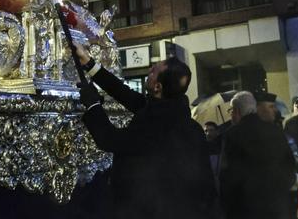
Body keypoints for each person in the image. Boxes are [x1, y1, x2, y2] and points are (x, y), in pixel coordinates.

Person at [77, 52, 215, 218]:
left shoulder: (156, 125)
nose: (150, 70)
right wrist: (89, 64)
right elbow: (125, 94)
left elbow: (111, 139)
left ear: (158, 87)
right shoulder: (178, 117)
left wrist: (92, 104)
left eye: (153, 71)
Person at [219, 91, 297, 219]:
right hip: (276, 206)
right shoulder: (275, 131)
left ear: (237, 111)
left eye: (231, 111)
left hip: (245, 208)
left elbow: (228, 175)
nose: (231, 115)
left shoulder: (232, 135)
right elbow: (290, 164)